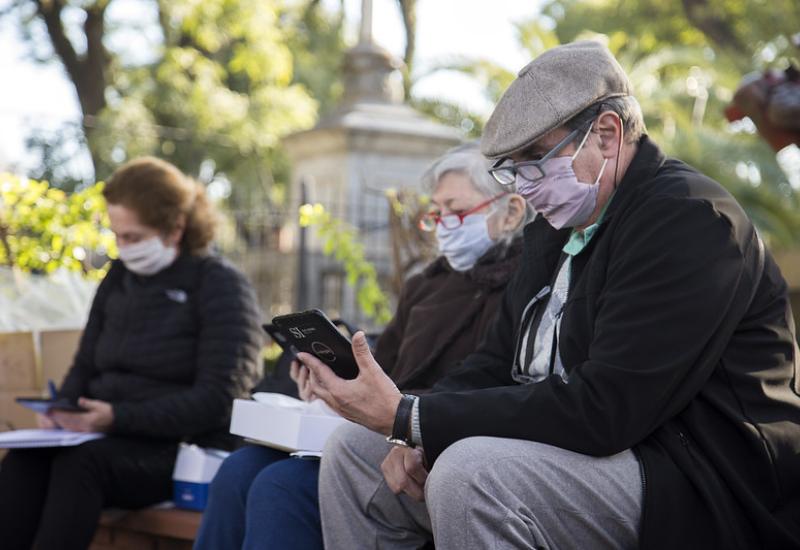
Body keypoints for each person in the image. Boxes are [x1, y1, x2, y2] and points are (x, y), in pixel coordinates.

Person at [301, 40, 800, 549]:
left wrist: (415, 419)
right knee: (353, 455)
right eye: (512, 166)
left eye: (537, 158)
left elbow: (607, 409)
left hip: (698, 477)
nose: (525, 184)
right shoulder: (556, 227)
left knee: (472, 475)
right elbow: (495, 362)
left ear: (607, 135)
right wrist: (411, 425)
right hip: (598, 453)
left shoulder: (689, 219)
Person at [193, 144, 532, 550]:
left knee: (279, 485)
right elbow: (381, 367)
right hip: (371, 431)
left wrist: (399, 415)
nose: (445, 226)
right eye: (437, 214)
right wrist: (331, 382)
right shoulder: (426, 284)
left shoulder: (524, 284)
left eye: (457, 212)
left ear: (511, 212)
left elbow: (492, 385)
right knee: (239, 469)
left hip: (434, 440)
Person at [0, 157, 263, 550]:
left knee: (80, 464)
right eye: (117, 236)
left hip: (179, 450)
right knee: (27, 459)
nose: (123, 248)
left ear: (175, 228)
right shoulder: (118, 278)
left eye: (134, 237)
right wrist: (63, 409)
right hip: (102, 435)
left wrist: (116, 419)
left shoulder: (220, 286)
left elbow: (219, 399)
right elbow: (86, 363)